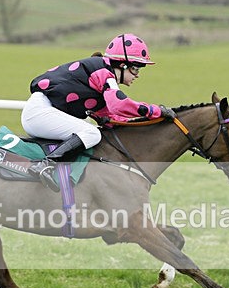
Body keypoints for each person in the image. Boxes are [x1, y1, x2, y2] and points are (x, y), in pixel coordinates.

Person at [21, 33, 175, 191]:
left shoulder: (102, 82)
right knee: (92, 134)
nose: (137, 75)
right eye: (135, 68)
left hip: (44, 112)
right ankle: (44, 165)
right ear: (122, 65)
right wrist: (154, 111)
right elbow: (119, 105)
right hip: (40, 112)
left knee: (92, 133)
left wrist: (149, 125)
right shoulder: (105, 74)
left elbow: (111, 117)